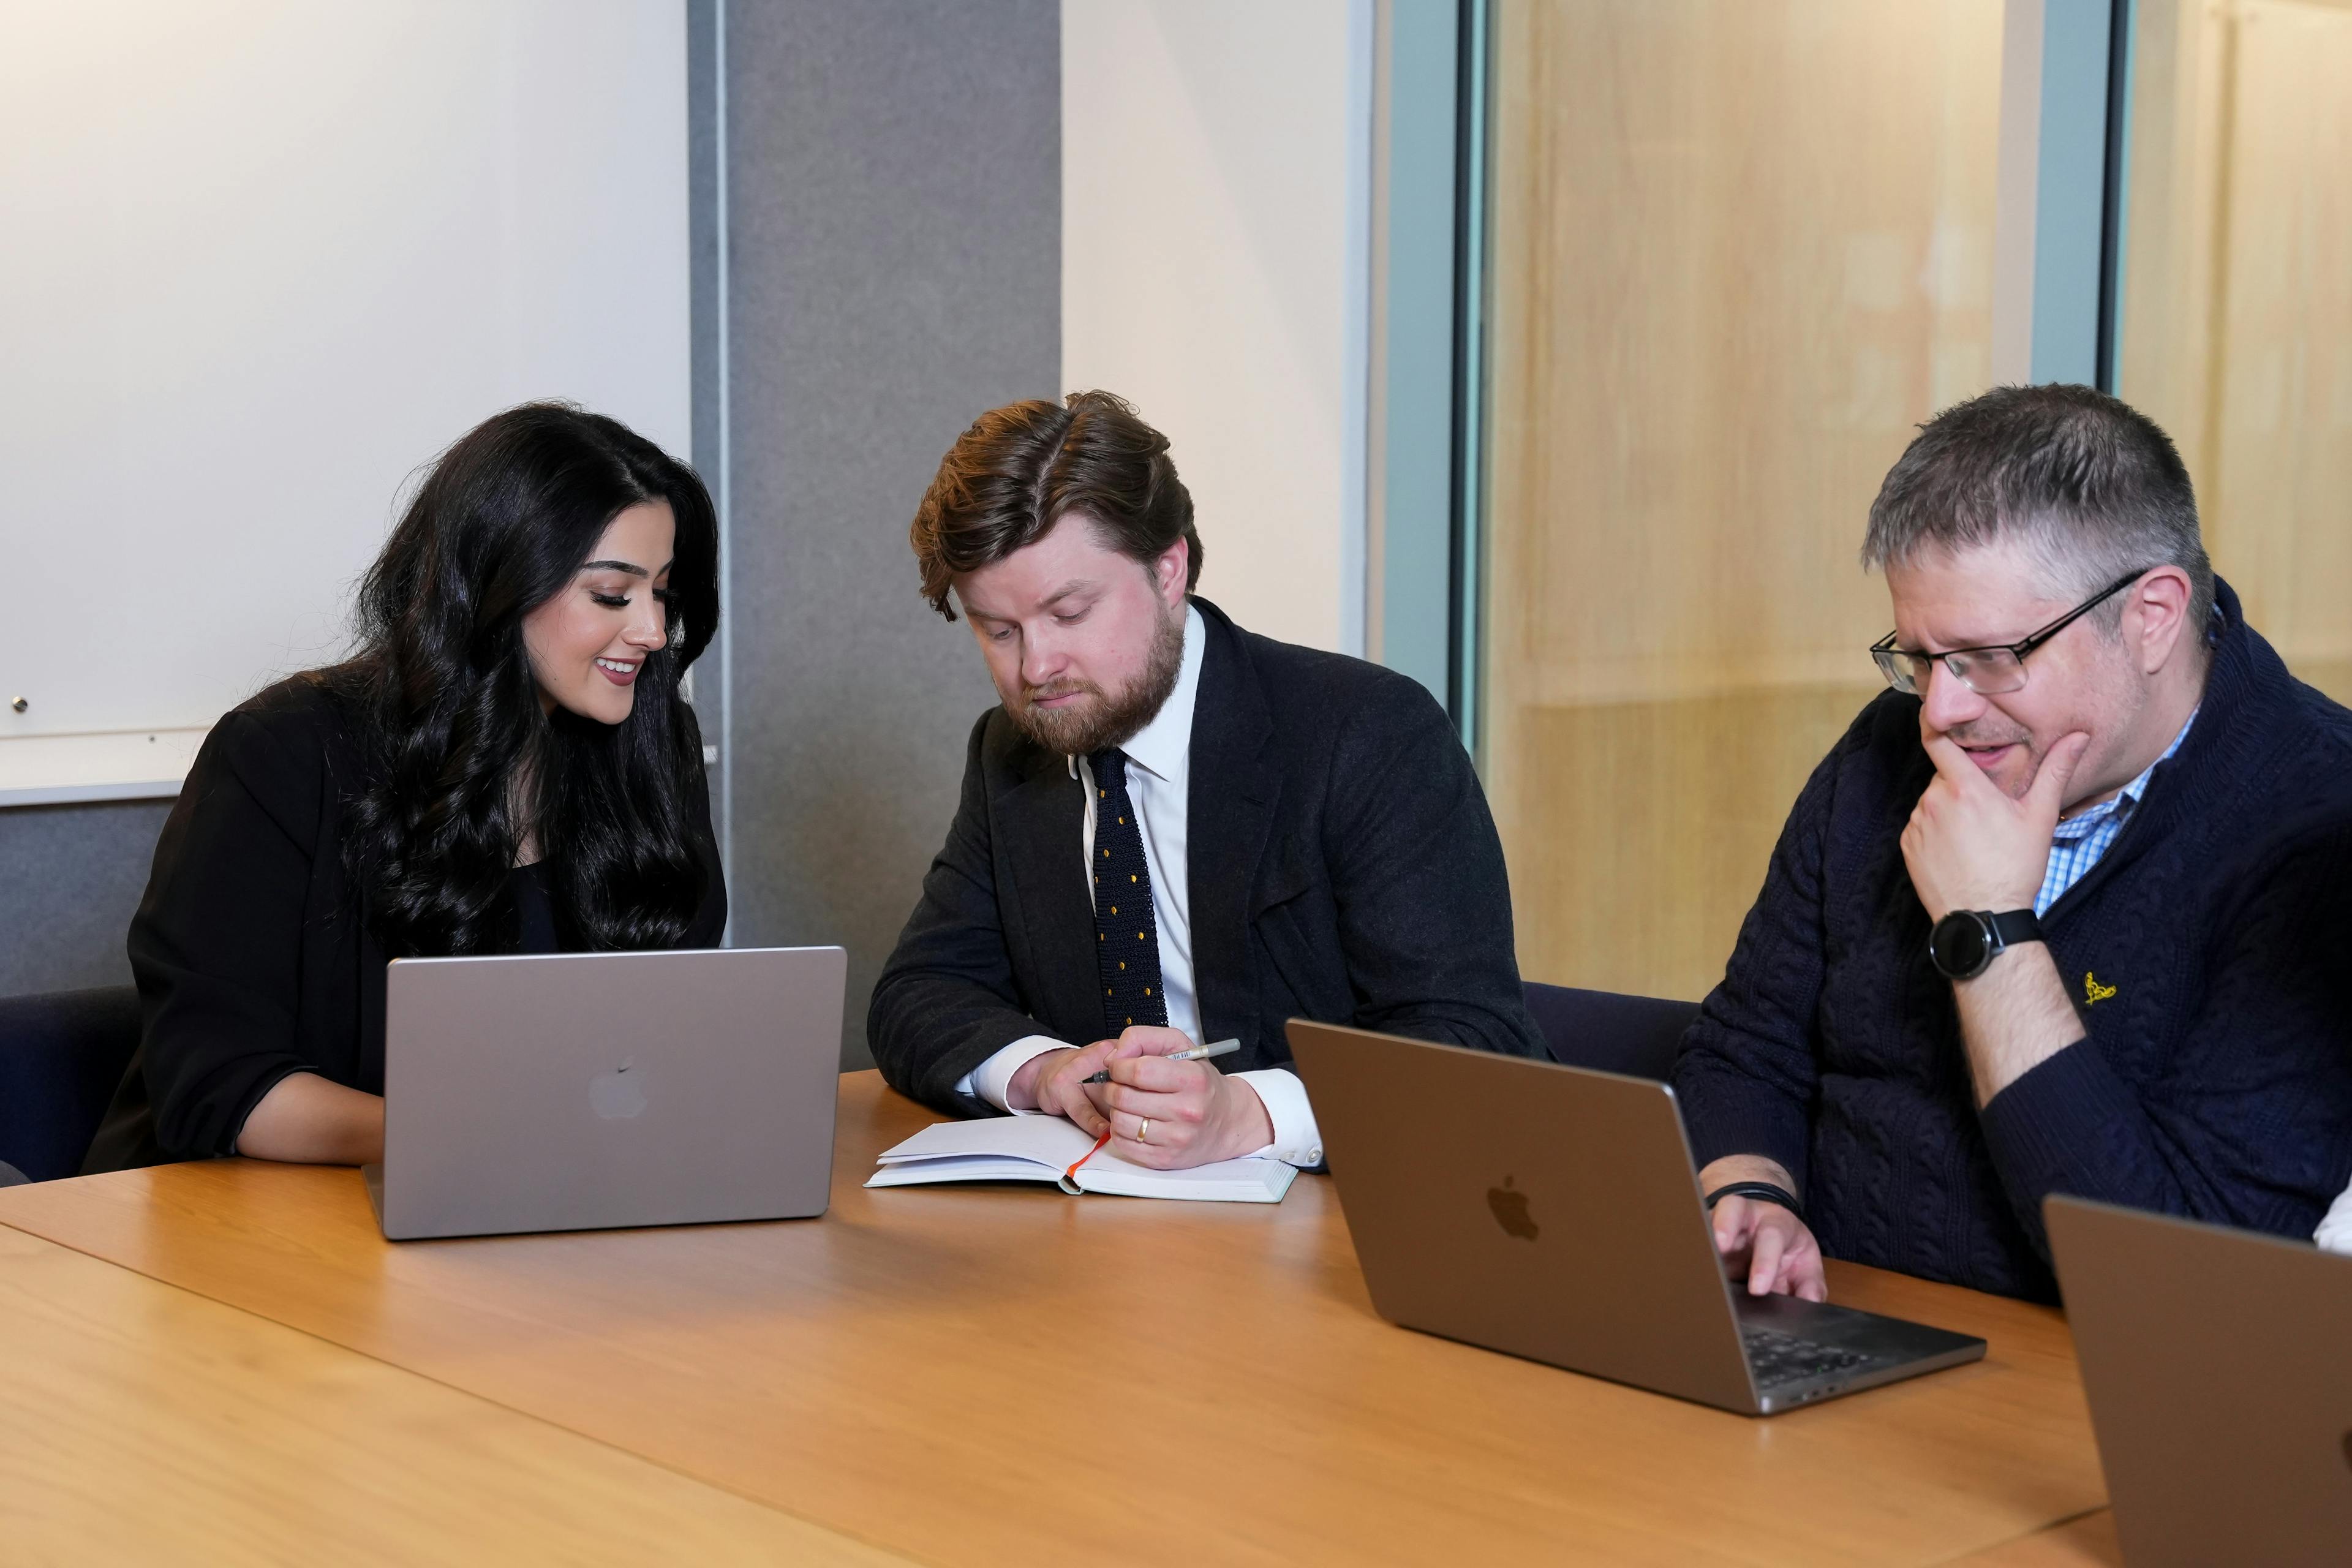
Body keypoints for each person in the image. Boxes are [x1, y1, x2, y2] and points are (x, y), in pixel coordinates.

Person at [1672, 383, 2352, 1302]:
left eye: (1991, 657)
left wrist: (1989, 931)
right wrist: (1752, 1195)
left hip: (2089, 1403)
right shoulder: (1883, 755)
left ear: (2151, 616)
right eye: (1918, 659)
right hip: (1838, 1333)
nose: (1941, 713)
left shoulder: (2319, 828)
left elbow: (2176, 1278)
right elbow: (1746, 1048)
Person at [869, 390, 1545, 1171]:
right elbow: (918, 993)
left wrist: (1253, 1113)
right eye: (999, 630)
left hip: (1360, 1220)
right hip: (1129, 1236)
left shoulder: (1365, 732)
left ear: (1169, 570)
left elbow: (1476, 1041)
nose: (1036, 667)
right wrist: (1042, 1071)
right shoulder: (1011, 752)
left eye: (1071, 613)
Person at [83, 404, 725, 1172]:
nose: (653, 632)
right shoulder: (284, 752)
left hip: (541, 1200)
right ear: (497, 584)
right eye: (615, 596)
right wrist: (481, 1144)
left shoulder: (652, 747)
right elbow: (218, 1085)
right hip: (253, 1216)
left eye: (665, 595)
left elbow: (659, 1036)